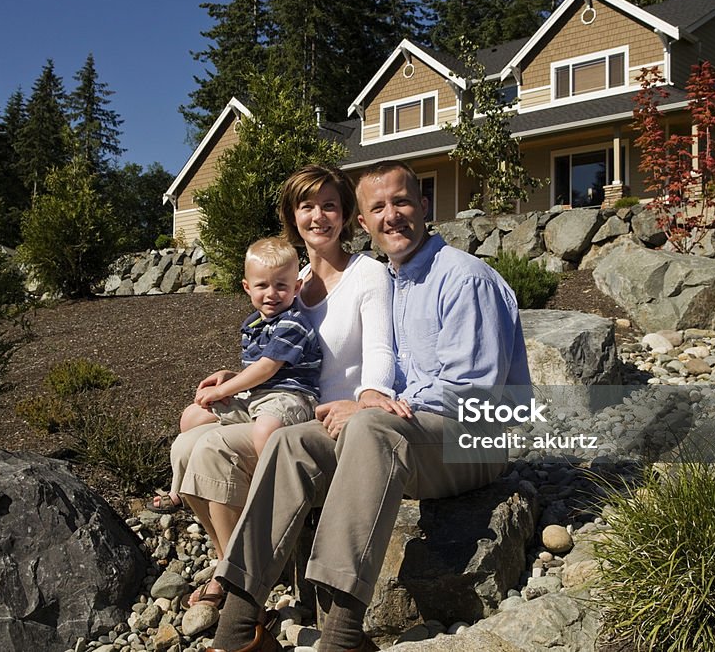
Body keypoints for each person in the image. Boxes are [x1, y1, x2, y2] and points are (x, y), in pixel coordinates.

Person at [206, 160, 531, 652]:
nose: (391, 216)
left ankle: (341, 637)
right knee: (293, 443)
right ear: (363, 223)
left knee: (371, 430)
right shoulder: (391, 280)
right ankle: (237, 628)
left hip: (474, 439)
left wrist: (375, 406)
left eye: (401, 202)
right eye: (377, 208)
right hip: (416, 434)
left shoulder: (465, 279)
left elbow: (474, 393)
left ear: (424, 206)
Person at [166, 165, 398, 611]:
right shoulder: (294, 281)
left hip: (323, 418)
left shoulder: (367, 275)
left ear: (346, 214)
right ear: (292, 216)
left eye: (329, 205)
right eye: (306, 206)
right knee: (185, 446)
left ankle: (239, 589)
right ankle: (228, 563)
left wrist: (370, 397)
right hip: (280, 404)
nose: (318, 216)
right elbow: (272, 354)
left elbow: (381, 351)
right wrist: (229, 379)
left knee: (213, 450)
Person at [179, 236, 322, 458]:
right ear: (247, 287)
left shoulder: (294, 323)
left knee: (265, 430)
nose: (271, 293)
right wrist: (231, 377)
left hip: (289, 397)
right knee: (192, 416)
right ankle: (186, 486)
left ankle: (269, 484)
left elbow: (267, 368)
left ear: (296, 287)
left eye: (281, 286)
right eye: (262, 285)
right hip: (255, 396)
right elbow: (256, 373)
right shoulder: (253, 324)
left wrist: (223, 391)